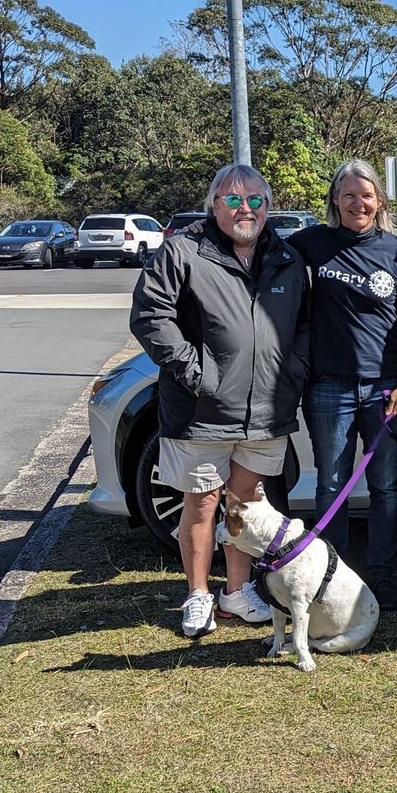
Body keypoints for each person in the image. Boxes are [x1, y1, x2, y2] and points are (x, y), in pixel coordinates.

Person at [130, 163, 309, 638]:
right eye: (232, 199)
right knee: (203, 502)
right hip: (201, 410)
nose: (244, 208)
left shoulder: (288, 259)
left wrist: (294, 371)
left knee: (246, 502)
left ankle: (236, 591)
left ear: (269, 208)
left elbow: (306, 326)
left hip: (268, 409)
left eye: (255, 200)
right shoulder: (183, 251)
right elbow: (151, 317)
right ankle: (197, 596)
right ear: (214, 205)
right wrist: (196, 371)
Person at [286, 159, 397, 611]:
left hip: (384, 388)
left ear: (379, 200)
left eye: (366, 195)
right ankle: (330, 576)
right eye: (348, 195)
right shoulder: (311, 244)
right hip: (329, 389)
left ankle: (381, 575)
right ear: (334, 201)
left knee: (385, 486)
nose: (357, 203)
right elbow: (260, 251)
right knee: (331, 484)